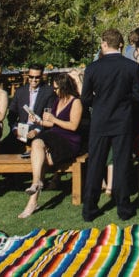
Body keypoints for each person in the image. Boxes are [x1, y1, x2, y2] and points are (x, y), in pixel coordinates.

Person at [81, 28, 139, 222]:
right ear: (121, 44)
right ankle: (124, 209)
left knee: (95, 165)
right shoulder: (131, 67)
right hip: (122, 120)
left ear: (104, 44)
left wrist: (99, 103)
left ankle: (89, 209)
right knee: (121, 164)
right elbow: (138, 96)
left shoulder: (93, 68)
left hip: (100, 120)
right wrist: (124, 102)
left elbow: (84, 98)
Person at [19, 72, 84, 219]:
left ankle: (33, 200)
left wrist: (54, 119)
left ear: (64, 87)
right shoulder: (57, 101)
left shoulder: (76, 102)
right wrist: (39, 121)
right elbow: (51, 123)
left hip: (69, 140)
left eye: (56, 88)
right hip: (54, 136)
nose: (54, 91)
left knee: (42, 159)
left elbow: (73, 126)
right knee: (36, 142)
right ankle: (36, 183)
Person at [3, 63, 54, 153]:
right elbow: (11, 114)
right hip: (21, 128)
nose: (34, 80)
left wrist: (36, 131)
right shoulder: (20, 91)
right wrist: (15, 129)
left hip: (39, 128)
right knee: (5, 145)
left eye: (37, 77)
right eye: (31, 77)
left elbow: (49, 116)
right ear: (27, 75)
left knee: (37, 145)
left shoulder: (48, 92)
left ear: (42, 76)